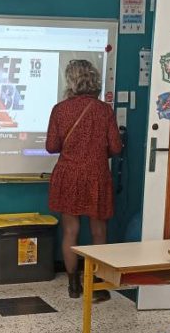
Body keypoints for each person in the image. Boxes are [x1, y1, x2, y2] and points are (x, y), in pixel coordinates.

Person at [45, 60, 122, 298]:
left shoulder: (60, 110)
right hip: (97, 175)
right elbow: (116, 148)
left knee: (71, 230)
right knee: (99, 231)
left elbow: (51, 146)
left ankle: (73, 285)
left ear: (71, 81)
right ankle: (97, 285)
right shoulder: (104, 110)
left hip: (68, 175)